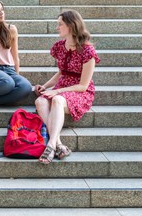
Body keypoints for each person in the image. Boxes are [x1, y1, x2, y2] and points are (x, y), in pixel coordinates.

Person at [34, 10, 100, 164]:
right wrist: (44, 86)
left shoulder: (87, 51)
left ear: (71, 26)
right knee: (40, 102)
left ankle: (50, 145)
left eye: (60, 24)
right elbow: (61, 73)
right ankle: (59, 144)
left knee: (56, 100)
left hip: (79, 91)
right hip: (63, 87)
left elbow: (83, 86)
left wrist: (57, 91)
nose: (57, 27)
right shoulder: (59, 46)